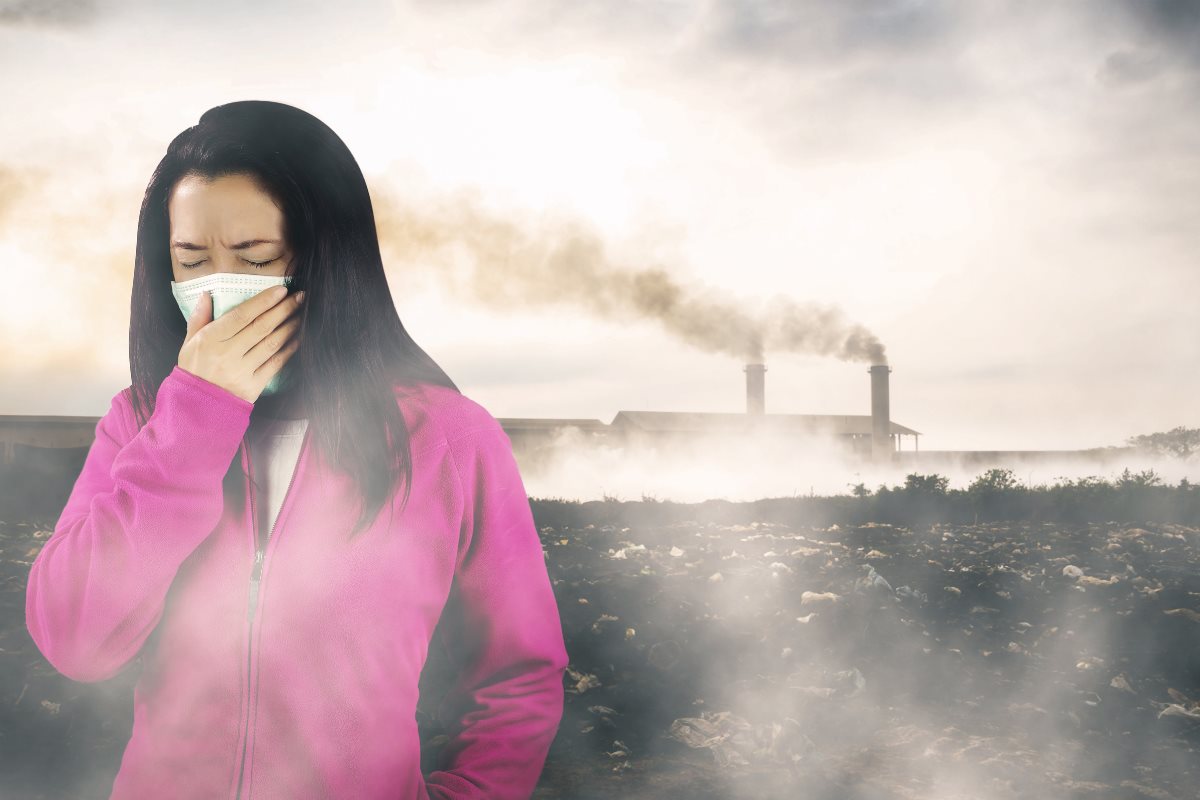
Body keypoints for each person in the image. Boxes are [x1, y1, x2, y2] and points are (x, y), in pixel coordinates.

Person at [24, 100, 569, 800]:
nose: (219, 288)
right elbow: (74, 641)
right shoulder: (138, 421)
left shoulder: (451, 439)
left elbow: (516, 676)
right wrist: (191, 419)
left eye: (254, 259)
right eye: (191, 259)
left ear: (327, 259)